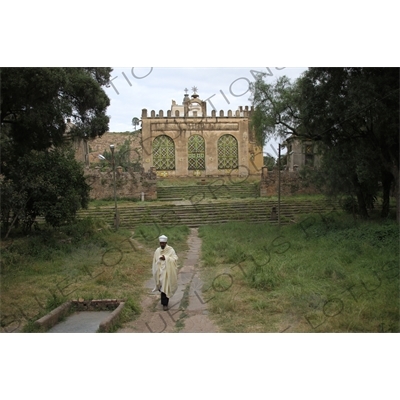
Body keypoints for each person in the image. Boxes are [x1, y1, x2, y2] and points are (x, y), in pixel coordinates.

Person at [152, 235, 178, 311]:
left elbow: (175, 258)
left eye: (163, 243)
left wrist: (166, 258)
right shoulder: (157, 251)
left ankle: (165, 304)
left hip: (167, 272)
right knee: (161, 287)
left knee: (165, 287)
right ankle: (163, 301)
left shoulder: (170, 250)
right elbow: (155, 261)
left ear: (166, 242)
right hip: (159, 272)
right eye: (161, 243)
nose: (162, 244)